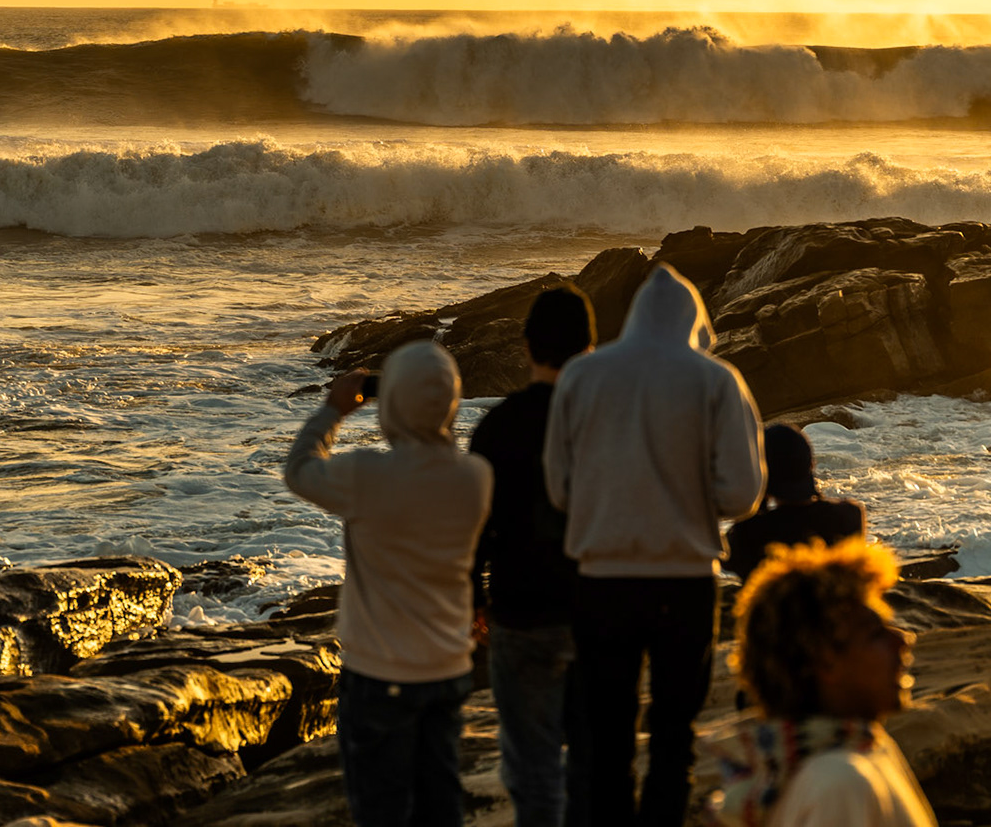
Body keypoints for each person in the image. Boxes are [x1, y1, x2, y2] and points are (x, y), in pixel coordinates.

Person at [543, 263, 766, 827]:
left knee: (608, 735)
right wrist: (689, 498)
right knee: (674, 732)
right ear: (695, 321)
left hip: (600, 580)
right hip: (683, 578)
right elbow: (741, 493)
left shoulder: (581, 376)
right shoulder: (715, 380)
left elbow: (559, 488)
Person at [285, 339, 493, 827]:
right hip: (446, 668)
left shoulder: (365, 475)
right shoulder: (477, 477)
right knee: (439, 799)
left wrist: (333, 412)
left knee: (381, 808)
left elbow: (299, 469)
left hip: (379, 674)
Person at [469, 284, 596, 827]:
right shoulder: (608, 422)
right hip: (599, 609)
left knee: (531, 766)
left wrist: (475, 599)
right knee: (595, 759)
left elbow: (473, 531)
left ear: (526, 346)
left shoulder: (496, 427)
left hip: (520, 613)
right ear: (591, 346)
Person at [711, 538, 935, 827]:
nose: (903, 639)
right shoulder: (839, 780)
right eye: (875, 634)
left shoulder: (864, 747)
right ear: (825, 662)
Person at [725, 423, 866, 581]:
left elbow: (733, 563)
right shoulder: (849, 516)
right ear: (811, 464)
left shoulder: (748, 533)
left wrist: (757, 497)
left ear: (762, 474)